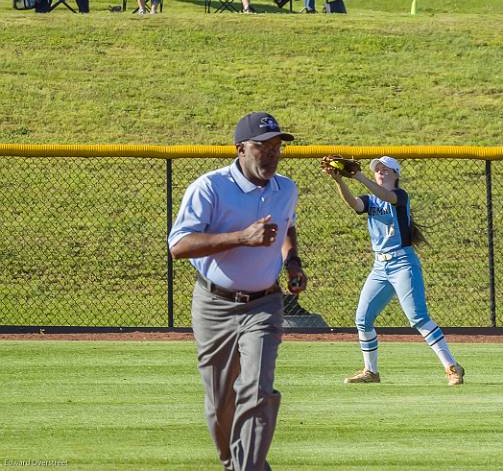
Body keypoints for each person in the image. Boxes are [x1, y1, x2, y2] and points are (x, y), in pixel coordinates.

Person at [168, 112, 307, 471]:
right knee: (220, 402)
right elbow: (179, 245)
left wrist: (292, 262)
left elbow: (286, 226)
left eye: (277, 147)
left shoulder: (286, 188)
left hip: (265, 304)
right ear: (240, 149)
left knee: (258, 392)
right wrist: (240, 237)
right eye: (263, 147)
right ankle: (234, 463)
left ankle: (249, 468)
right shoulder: (210, 187)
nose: (272, 154)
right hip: (214, 304)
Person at [322, 156, 465, 386]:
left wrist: (358, 176)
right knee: (363, 318)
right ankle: (371, 371)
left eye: (384, 168)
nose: (379, 170)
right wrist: (339, 181)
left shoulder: (400, 195)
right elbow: (355, 204)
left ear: (396, 174)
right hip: (380, 267)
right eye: (377, 168)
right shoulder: (371, 200)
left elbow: (386, 196)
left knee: (418, 318)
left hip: (402, 263)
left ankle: (451, 367)